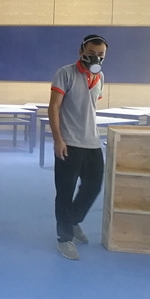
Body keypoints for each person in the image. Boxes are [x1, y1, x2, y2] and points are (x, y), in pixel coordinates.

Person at [48, 34, 108, 260]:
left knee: (93, 186)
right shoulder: (65, 73)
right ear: (81, 51)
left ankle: (72, 221)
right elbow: (54, 107)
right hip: (69, 142)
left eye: (100, 55)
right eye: (91, 53)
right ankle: (64, 239)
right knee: (65, 192)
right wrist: (58, 139)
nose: (96, 58)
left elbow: (90, 107)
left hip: (92, 142)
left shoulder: (100, 76)